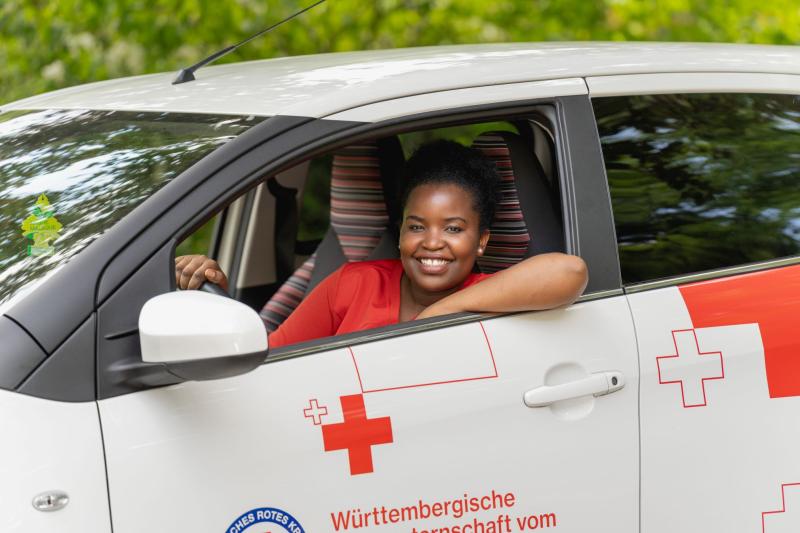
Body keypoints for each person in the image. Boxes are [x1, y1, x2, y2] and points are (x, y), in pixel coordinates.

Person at [175, 140, 588, 348]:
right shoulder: (354, 282)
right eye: (416, 226)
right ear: (400, 231)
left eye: (454, 229)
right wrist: (216, 299)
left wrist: (441, 311)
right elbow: (269, 359)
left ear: (482, 242)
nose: (431, 243)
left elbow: (571, 272)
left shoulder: (494, 292)